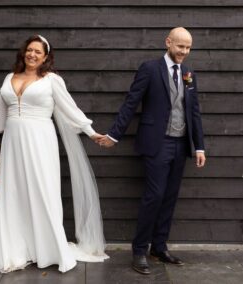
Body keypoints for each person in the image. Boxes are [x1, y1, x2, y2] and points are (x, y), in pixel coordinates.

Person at [0, 35, 109, 273]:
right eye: (29, 50)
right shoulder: (9, 78)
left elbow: (70, 108)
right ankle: (17, 250)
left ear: (45, 57)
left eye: (38, 52)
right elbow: (2, 109)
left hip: (40, 140)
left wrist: (90, 132)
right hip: (12, 141)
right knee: (14, 192)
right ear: (24, 52)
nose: (32, 55)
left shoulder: (52, 80)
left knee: (43, 190)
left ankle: (49, 249)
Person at [97, 27, 206, 274]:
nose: (184, 52)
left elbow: (194, 111)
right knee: (154, 196)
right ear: (168, 43)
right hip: (157, 144)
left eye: (188, 48)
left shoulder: (189, 73)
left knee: (169, 197)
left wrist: (198, 146)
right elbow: (131, 102)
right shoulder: (150, 68)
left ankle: (159, 246)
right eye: (180, 46)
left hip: (181, 144)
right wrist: (114, 134)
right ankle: (139, 250)